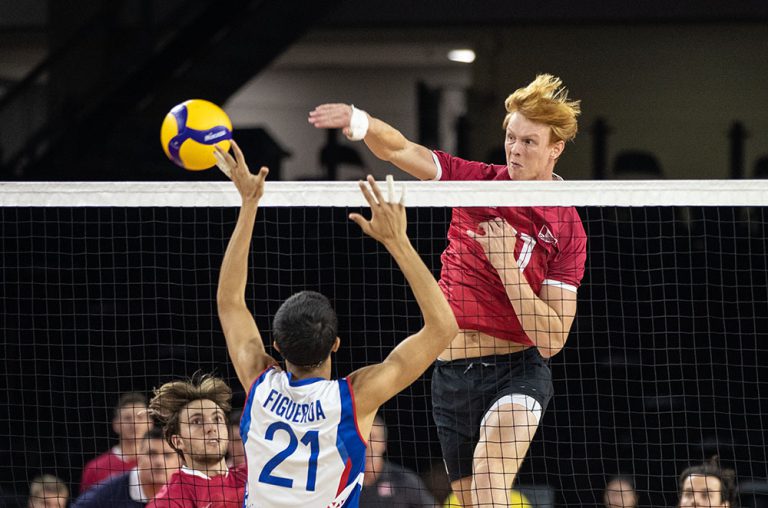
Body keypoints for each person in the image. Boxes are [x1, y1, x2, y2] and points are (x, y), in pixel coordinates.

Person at [309, 74, 587, 508]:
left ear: (556, 149)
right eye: (511, 138)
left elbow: (551, 341)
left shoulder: (567, 227)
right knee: (474, 500)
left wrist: (504, 263)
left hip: (518, 370)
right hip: (452, 375)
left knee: (492, 479)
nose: (515, 150)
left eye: (529, 142)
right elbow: (402, 150)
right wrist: (361, 122)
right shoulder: (473, 182)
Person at [213, 140, 458, 507]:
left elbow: (230, 303)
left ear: (276, 347)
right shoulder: (354, 399)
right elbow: (443, 328)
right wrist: (397, 241)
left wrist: (248, 204)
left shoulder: (259, 383)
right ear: (335, 344)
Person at [145, 375, 246, 508]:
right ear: (178, 441)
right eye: (197, 421)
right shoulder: (167, 502)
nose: (211, 428)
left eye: (217, 419)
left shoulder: (252, 475)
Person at [72, 427, 180, 508]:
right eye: (151, 454)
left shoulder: (188, 490)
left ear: (179, 460)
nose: (159, 462)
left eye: (167, 455)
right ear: (139, 457)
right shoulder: (109, 492)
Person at [358, 415, 437, 507]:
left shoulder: (403, 480)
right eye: (363, 437)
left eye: (373, 437)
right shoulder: (346, 481)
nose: (367, 443)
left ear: (384, 444)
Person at [81, 392, 153, 492]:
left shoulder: (161, 464)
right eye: (128, 418)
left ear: (150, 423)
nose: (134, 423)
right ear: (116, 425)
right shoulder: (96, 468)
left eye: (140, 417)